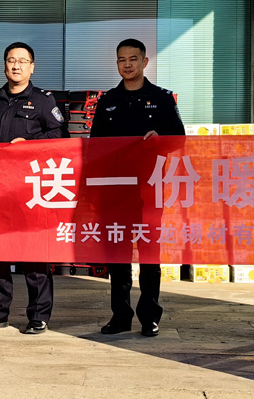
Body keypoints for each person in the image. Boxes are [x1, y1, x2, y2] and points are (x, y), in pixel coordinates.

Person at [89, 38, 185, 337]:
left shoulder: (162, 98)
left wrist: (161, 139)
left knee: (149, 252)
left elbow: (179, 139)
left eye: (133, 59)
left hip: (149, 187)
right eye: (122, 59)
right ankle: (120, 316)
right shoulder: (108, 100)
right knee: (117, 254)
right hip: (116, 188)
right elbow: (95, 146)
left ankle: (149, 316)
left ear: (145, 62)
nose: (127, 64)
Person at [0, 42, 65, 335]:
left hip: (30, 190)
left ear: (32, 67)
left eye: (23, 61)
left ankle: (39, 316)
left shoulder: (43, 101)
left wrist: (29, 145)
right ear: (4, 65)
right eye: (11, 60)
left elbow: (59, 135)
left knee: (34, 256)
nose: (16, 66)